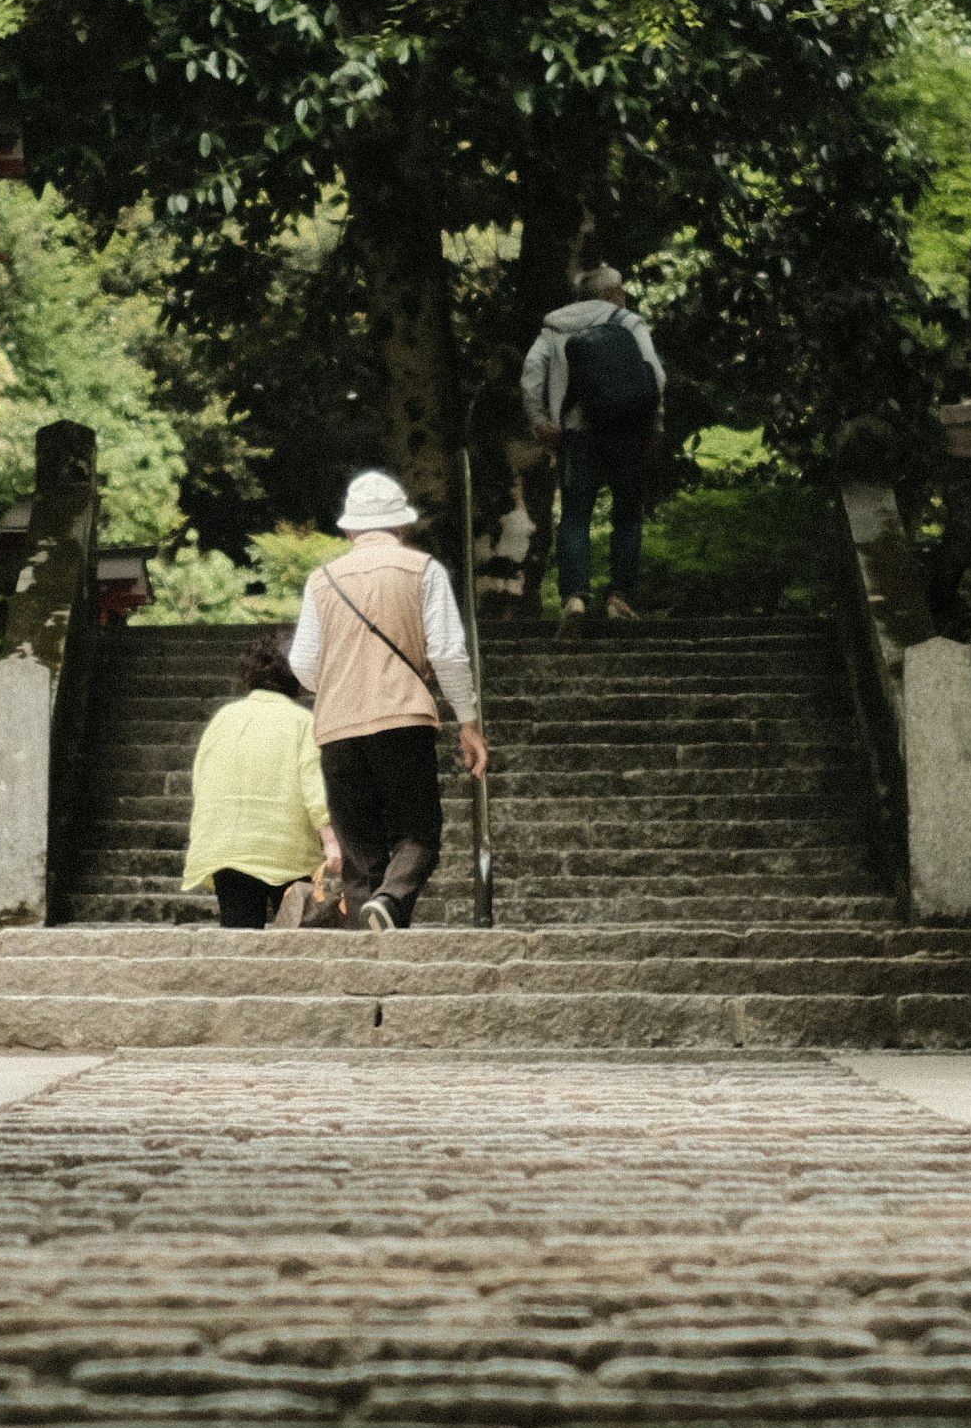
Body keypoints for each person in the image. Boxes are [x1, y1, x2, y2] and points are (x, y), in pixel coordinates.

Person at [287, 471, 491, 930]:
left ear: (348, 529)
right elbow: (446, 652)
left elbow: (301, 664)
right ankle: (394, 900)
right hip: (403, 718)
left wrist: (342, 685)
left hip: (338, 727)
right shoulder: (424, 570)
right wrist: (468, 721)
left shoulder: (321, 581)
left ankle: (370, 935)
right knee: (417, 831)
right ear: (402, 526)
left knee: (359, 850)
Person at [521, 265, 665, 626]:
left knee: (574, 516)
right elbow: (655, 375)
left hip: (576, 436)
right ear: (612, 293)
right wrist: (655, 423)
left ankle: (574, 598)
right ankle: (619, 597)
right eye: (621, 289)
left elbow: (531, 374)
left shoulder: (553, 328)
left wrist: (540, 420)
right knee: (628, 516)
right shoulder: (628, 322)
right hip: (626, 433)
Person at [182, 634, 339, 928]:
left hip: (226, 845)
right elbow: (314, 787)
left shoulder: (224, 718)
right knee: (294, 945)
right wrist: (331, 841)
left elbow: (202, 777)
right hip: (286, 849)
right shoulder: (302, 722)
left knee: (240, 936)